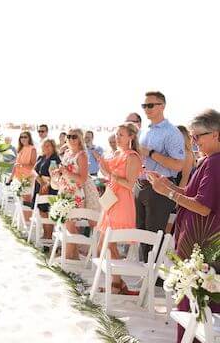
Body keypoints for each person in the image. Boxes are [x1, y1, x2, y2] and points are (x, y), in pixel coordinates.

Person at [147, 109, 220, 343]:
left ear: (217, 134)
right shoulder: (209, 161)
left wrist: (167, 192)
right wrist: (168, 186)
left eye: (198, 136)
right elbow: (192, 195)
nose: (194, 141)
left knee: (197, 307)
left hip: (203, 247)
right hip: (198, 244)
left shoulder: (215, 163)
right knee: (193, 305)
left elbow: (202, 206)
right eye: (191, 137)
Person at [135, 91, 185, 261]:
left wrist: (150, 153)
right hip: (140, 185)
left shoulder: (172, 132)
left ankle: (156, 280)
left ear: (162, 106)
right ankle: (145, 275)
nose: (146, 109)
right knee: (141, 233)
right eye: (144, 105)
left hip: (160, 188)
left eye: (150, 105)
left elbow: (178, 165)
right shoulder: (142, 131)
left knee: (154, 234)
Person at [92, 123, 141, 295]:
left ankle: (117, 284)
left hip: (121, 201)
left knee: (109, 242)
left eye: (121, 134)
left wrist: (110, 175)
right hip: (111, 198)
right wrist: (104, 170)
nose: (117, 137)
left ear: (131, 137)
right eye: (117, 134)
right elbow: (111, 175)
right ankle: (118, 284)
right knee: (105, 243)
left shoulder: (133, 156)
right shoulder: (118, 153)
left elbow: (129, 184)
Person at [52, 128, 101, 260]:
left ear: (79, 139)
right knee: (68, 226)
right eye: (68, 136)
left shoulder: (82, 155)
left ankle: (68, 257)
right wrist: (58, 173)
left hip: (75, 194)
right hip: (64, 191)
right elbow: (65, 171)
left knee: (69, 227)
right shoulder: (67, 153)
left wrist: (66, 173)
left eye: (74, 137)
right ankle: (74, 258)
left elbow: (82, 179)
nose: (71, 139)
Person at [33, 139, 61, 240]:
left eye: (49, 146)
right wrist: (39, 179)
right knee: (42, 211)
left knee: (49, 212)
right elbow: (34, 170)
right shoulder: (41, 157)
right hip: (40, 185)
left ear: (53, 147)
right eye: (44, 146)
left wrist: (47, 183)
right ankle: (45, 234)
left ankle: (49, 237)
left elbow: (55, 174)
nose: (46, 147)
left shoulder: (55, 158)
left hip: (50, 187)